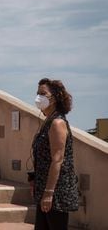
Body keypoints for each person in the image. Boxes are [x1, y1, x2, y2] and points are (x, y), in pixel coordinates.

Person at [31, 78, 79, 230]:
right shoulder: (48, 121)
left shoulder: (57, 123)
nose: (38, 97)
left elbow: (57, 159)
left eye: (43, 93)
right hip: (44, 187)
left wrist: (49, 193)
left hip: (56, 191)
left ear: (55, 97)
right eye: (37, 93)